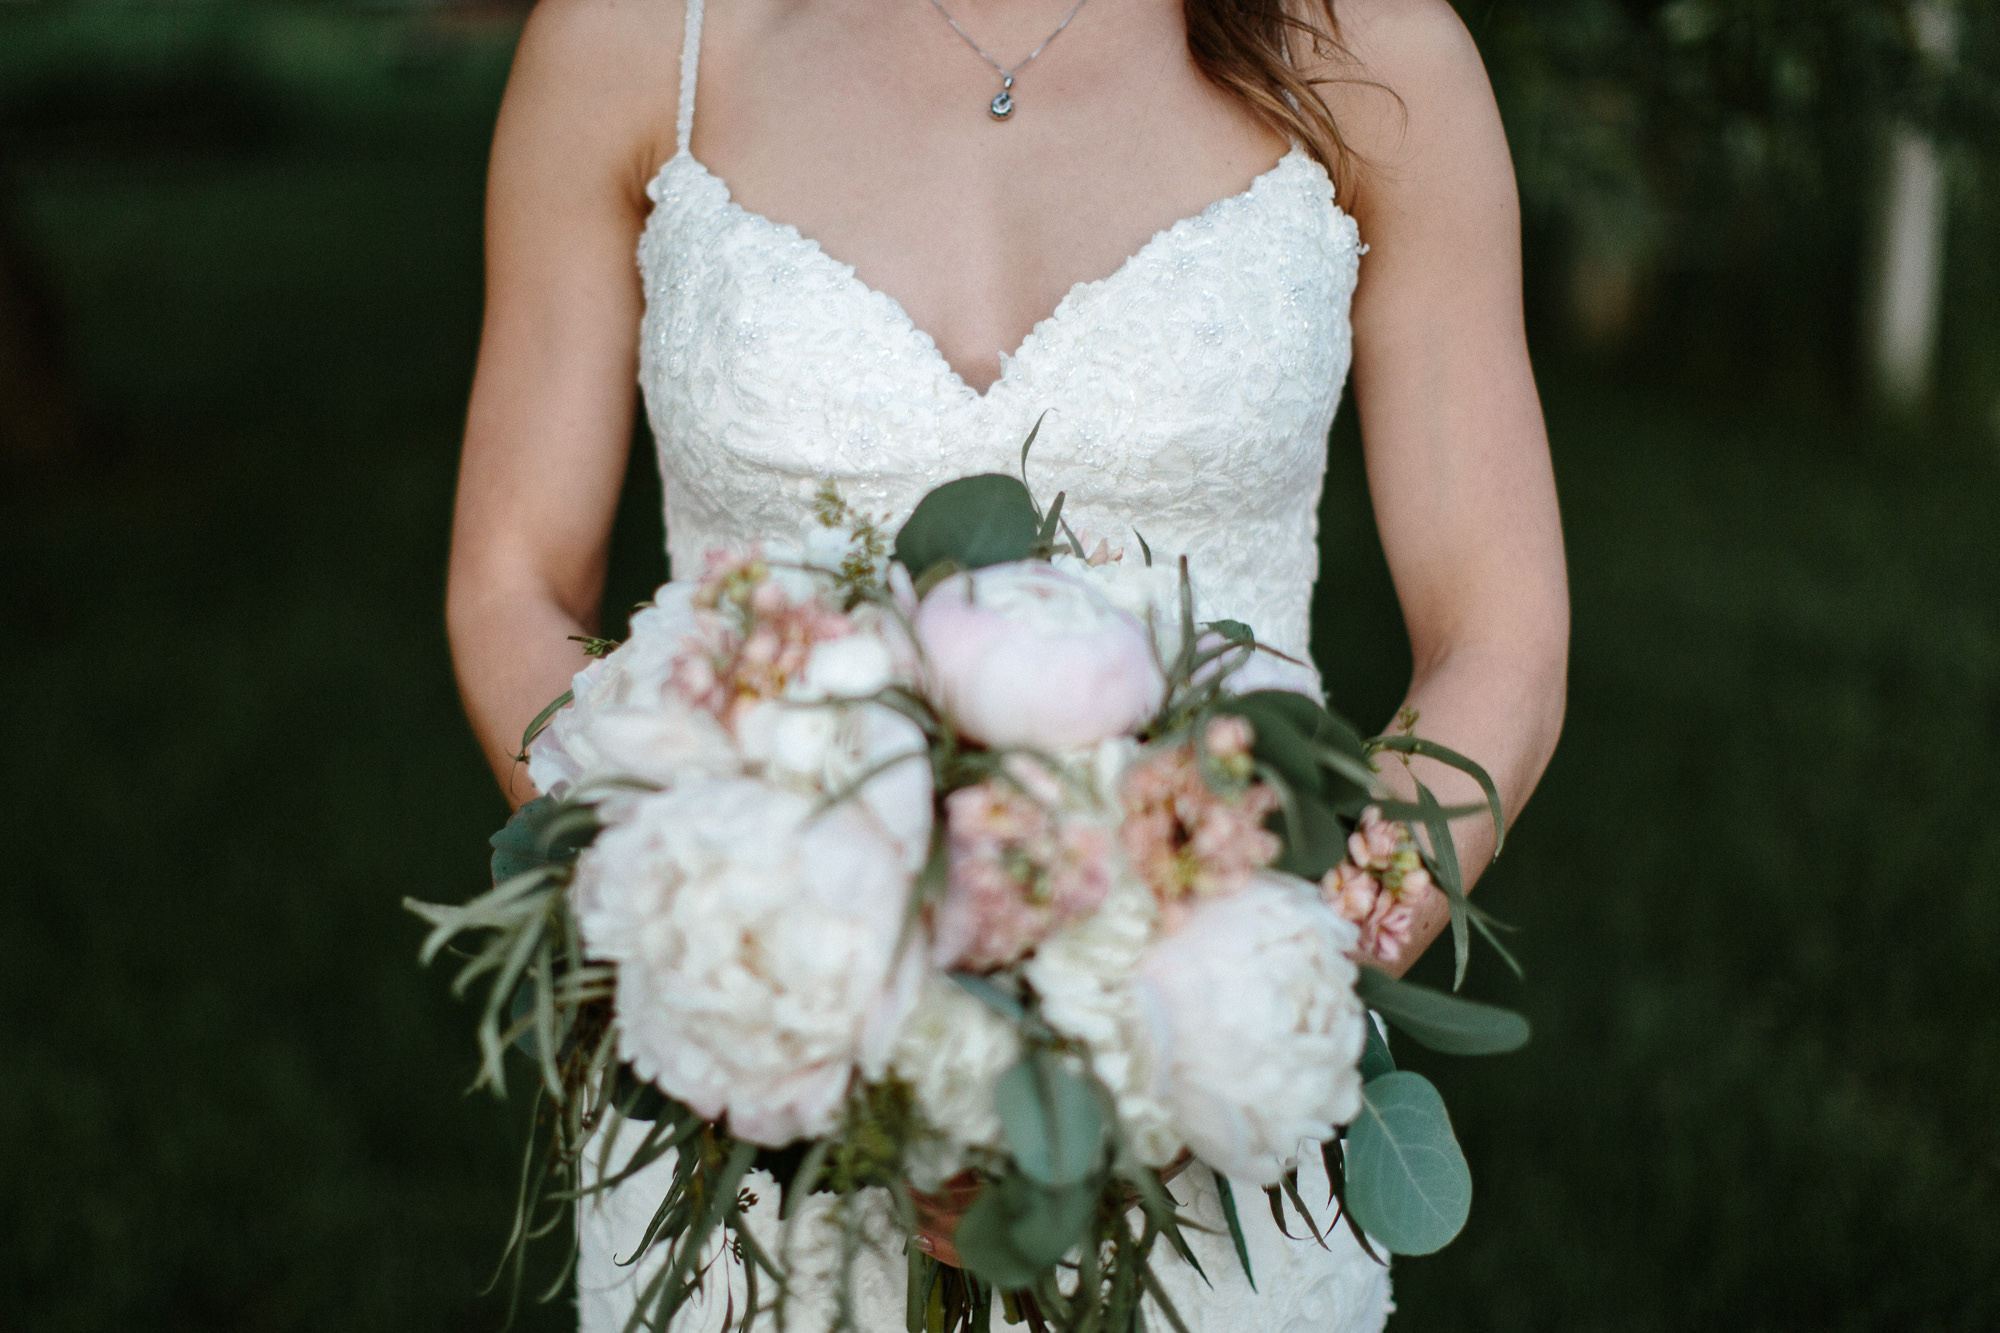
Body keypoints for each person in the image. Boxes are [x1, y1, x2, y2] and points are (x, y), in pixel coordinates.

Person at [446, 0, 1568, 1326]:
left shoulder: (1376, 46)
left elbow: (1500, 640)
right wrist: (734, 947)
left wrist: (1257, 980)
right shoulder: (642, 38)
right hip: (758, 1134)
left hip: (1200, 1138)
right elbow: (510, 586)